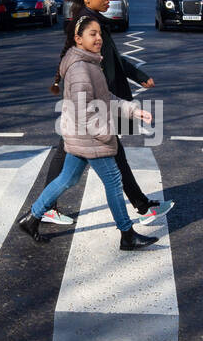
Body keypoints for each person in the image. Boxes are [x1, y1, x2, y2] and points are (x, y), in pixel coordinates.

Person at [20, 14, 160, 251]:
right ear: (78, 38)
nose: (98, 39)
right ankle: (127, 235)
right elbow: (84, 111)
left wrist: (133, 111)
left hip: (80, 136)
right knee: (114, 181)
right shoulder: (80, 70)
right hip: (90, 137)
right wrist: (106, 135)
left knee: (68, 178)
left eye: (99, 34)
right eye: (92, 34)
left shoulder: (90, 63)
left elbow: (106, 99)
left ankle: (32, 219)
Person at [45, 0, 175, 226]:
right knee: (107, 152)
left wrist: (138, 75)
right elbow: (96, 64)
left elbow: (111, 58)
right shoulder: (88, 23)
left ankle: (44, 209)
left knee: (72, 150)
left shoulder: (91, 20)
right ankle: (142, 208)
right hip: (93, 99)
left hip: (91, 98)